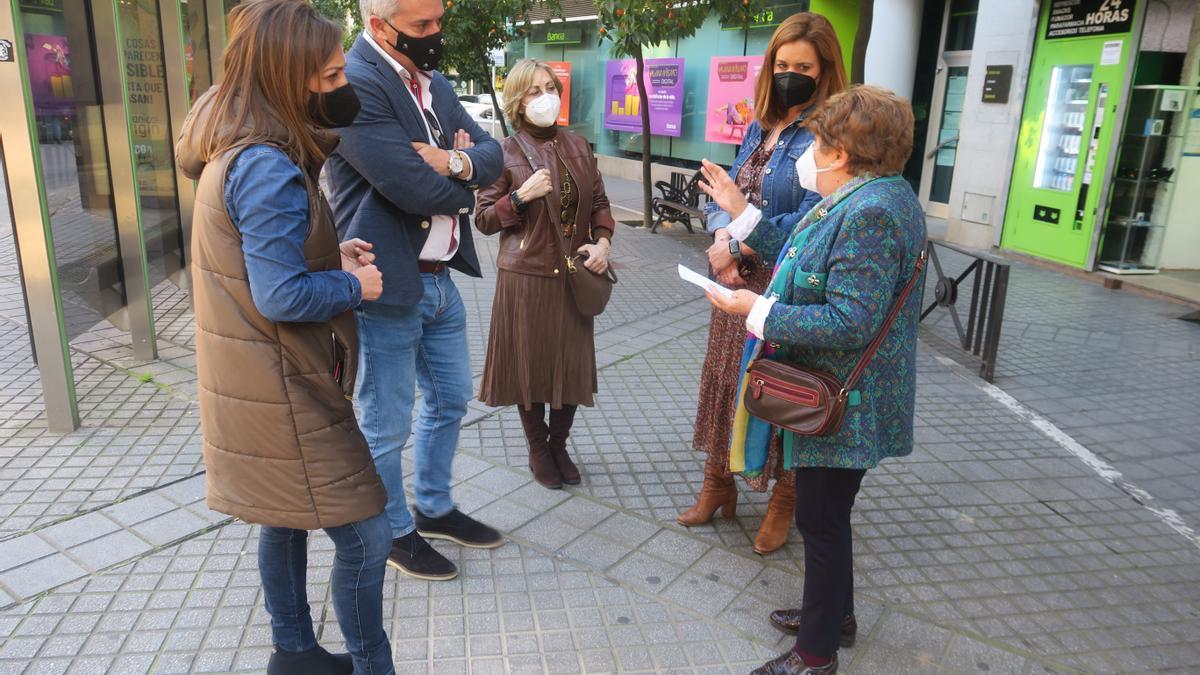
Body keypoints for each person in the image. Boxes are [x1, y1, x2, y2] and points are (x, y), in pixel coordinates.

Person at [175, 0, 395, 672]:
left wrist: (330, 254)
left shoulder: (239, 140)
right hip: (285, 386)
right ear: (287, 76)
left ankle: (294, 651)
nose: (340, 86)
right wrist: (355, 287)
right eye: (329, 76)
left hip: (263, 381)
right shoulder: (266, 164)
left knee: (284, 514)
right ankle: (367, 662)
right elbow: (280, 294)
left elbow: (267, 261)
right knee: (367, 536)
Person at [705, 85, 926, 674]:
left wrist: (752, 308)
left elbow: (851, 319)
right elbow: (801, 249)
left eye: (822, 141)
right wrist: (740, 213)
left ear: (845, 151)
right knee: (828, 517)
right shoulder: (864, 195)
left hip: (845, 398)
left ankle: (815, 655)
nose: (812, 150)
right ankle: (836, 615)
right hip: (843, 392)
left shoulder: (872, 211)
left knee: (821, 522)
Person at [325, 0, 505, 582]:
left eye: (438, 21)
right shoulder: (356, 82)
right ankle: (393, 532)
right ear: (380, 25)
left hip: (440, 280)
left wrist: (451, 159)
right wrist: (462, 182)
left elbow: (493, 155)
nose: (436, 35)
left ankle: (433, 507)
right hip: (386, 284)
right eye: (422, 26)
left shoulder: (433, 81)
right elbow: (408, 187)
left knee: (452, 399)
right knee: (386, 424)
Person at [680, 12, 849, 556]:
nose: (790, 74)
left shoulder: (827, 134)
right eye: (782, 64)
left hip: (782, 286)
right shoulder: (760, 124)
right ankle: (717, 485)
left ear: (824, 71)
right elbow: (722, 193)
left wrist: (737, 243)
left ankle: (784, 498)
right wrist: (721, 239)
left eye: (803, 66)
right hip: (732, 282)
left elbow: (811, 216)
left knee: (777, 390)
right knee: (726, 381)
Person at [474, 59, 615, 489]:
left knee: (570, 366)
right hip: (526, 277)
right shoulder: (502, 151)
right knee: (531, 366)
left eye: (550, 87)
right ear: (518, 101)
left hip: (573, 274)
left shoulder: (579, 145)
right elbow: (482, 219)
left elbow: (600, 204)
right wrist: (518, 197)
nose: (545, 97)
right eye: (534, 91)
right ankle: (538, 447)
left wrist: (604, 242)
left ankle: (559, 445)